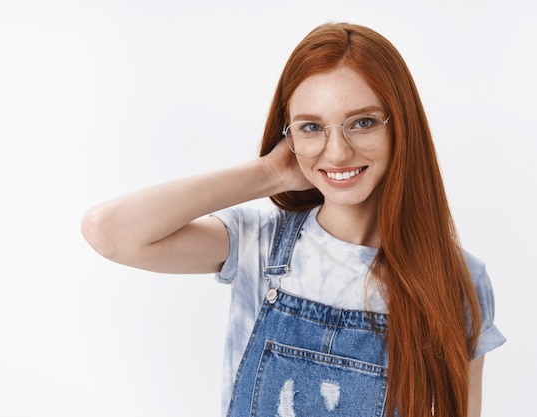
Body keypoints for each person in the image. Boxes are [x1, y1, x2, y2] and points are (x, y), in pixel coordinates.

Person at [81, 22, 505, 417]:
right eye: (311, 127)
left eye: (362, 122)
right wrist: (267, 174)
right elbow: (109, 231)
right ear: (289, 137)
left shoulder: (458, 281)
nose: (337, 152)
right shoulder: (257, 244)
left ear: (401, 127)